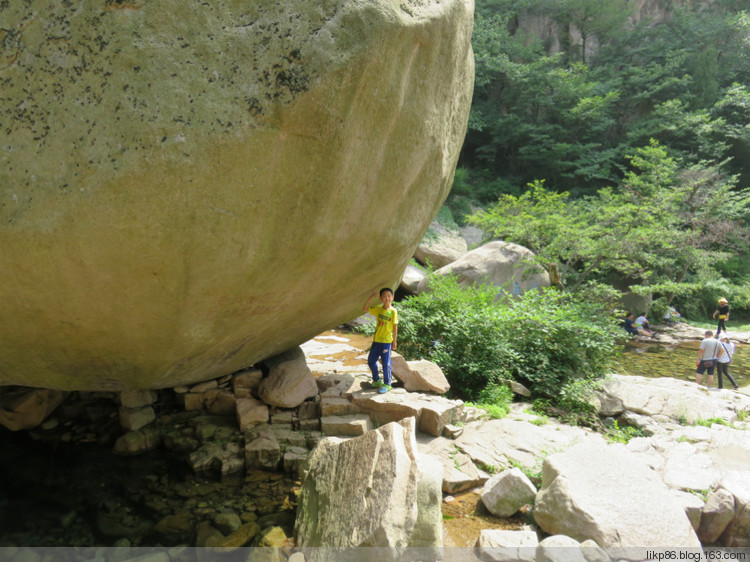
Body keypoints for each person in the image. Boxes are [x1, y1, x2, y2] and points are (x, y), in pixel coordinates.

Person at [363, 287, 398, 394]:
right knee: (371, 361)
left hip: (386, 342)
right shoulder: (378, 308)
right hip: (377, 340)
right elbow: (365, 309)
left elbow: (395, 326)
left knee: (386, 363)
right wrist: (371, 298)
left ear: (392, 297)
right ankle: (377, 380)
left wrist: (394, 341)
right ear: (381, 298)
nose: (386, 298)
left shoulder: (393, 311)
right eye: (384, 296)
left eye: (388, 296)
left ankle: (387, 384)